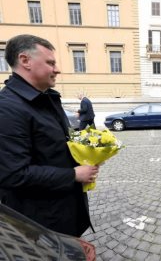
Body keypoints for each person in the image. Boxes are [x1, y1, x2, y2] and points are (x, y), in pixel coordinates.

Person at [0, 34, 99, 237]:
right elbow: (14, 174)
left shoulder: (47, 98)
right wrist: (74, 174)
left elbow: (55, 147)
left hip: (64, 213)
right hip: (40, 225)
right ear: (25, 61)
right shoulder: (7, 108)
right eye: (50, 62)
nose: (57, 69)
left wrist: (89, 154)